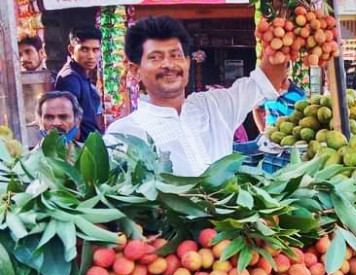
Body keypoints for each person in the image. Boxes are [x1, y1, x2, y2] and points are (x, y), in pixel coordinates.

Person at [106, 16, 288, 177]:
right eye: (156, 57)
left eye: (176, 55)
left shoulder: (214, 106)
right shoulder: (121, 135)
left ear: (187, 62)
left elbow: (265, 81)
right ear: (135, 70)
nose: (169, 64)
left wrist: (283, 30)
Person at [55, 24, 103, 141]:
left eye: (95, 50)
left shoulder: (80, 75)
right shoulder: (70, 78)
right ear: (71, 50)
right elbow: (68, 122)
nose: (91, 56)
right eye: (84, 49)